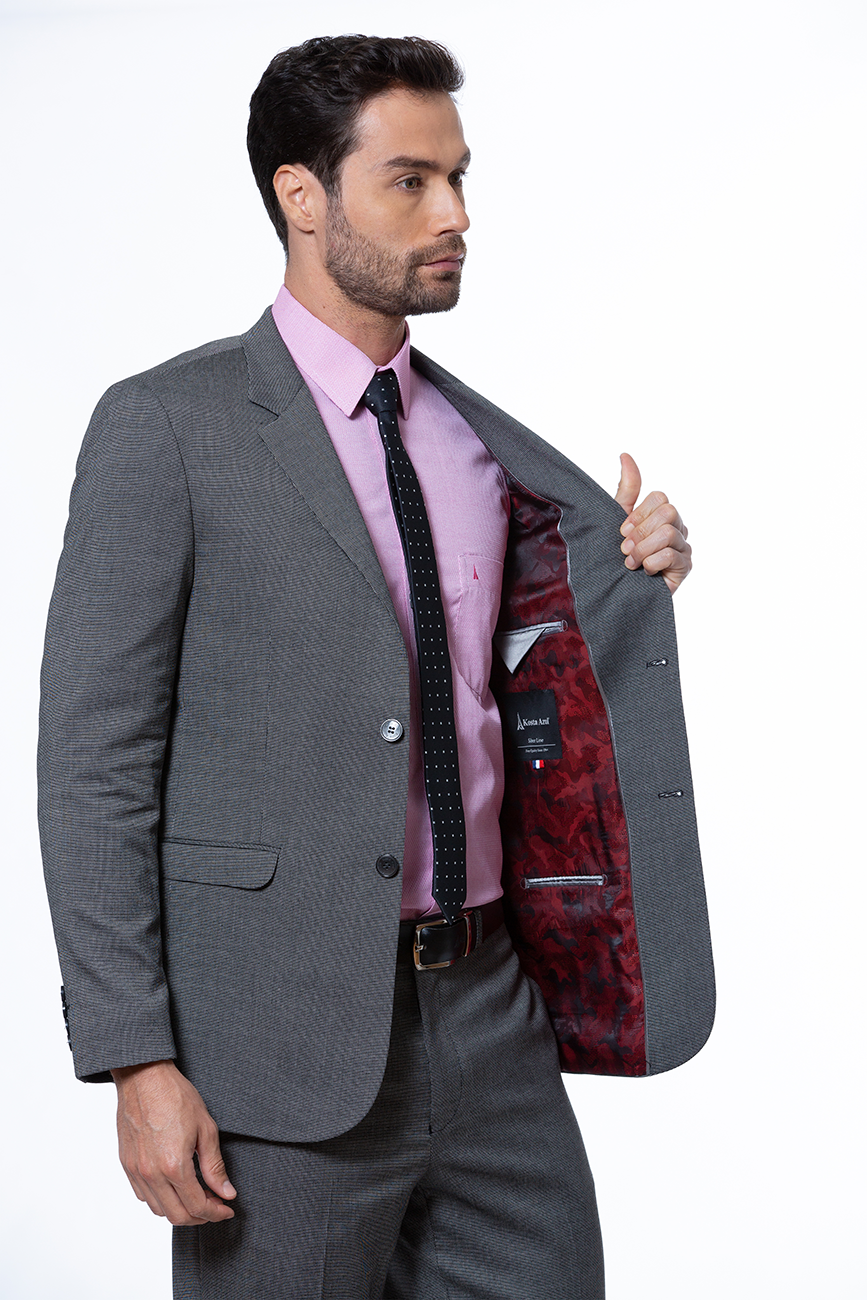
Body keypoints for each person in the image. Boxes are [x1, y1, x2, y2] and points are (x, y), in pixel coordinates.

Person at [38, 34, 714, 1300]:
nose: (455, 214)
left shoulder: (482, 447)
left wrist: (624, 573)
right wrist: (136, 1057)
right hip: (273, 1045)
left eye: (459, 177)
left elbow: (522, 681)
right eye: (411, 181)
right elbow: (93, 765)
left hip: (493, 1018)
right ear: (302, 196)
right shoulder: (167, 429)